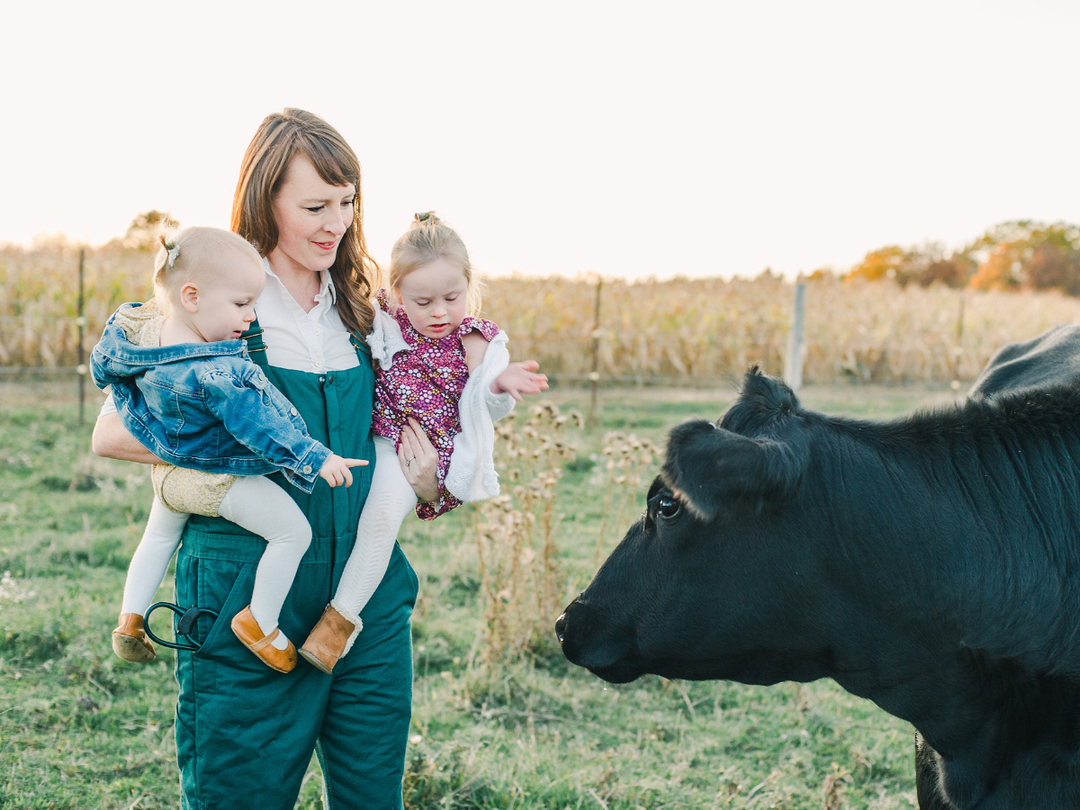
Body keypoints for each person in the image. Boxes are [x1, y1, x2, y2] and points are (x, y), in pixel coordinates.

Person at [92, 108, 437, 810]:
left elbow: (402, 426)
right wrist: (244, 456)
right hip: (246, 602)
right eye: (314, 206)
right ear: (265, 199)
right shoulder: (216, 303)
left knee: (374, 799)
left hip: (362, 605)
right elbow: (114, 432)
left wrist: (424, 477)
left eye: (346, 204)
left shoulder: (364, 306)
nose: (334, 223)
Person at [92, 227, 364, 674]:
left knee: (159, 537)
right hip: (214, 479)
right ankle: (262, 622)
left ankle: (131, 619)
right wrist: (317, 458)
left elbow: (104, 368)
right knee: (292, 534)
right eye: (242, 305)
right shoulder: (220, 371)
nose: (251, 317)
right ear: (193, 297)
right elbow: (262, 424)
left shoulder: (140, 335)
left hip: (166, 476)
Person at [299, 212, 547, 673]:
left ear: (468, 287)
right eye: (423, 300)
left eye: (452, 298)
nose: (439, 313)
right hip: (370, 433)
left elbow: (484, 400)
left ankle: (339, 624)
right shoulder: (383, 319)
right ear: (396, 295)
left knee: (381, 519)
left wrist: (498, 383)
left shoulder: (474, 339)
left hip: (415, 450)